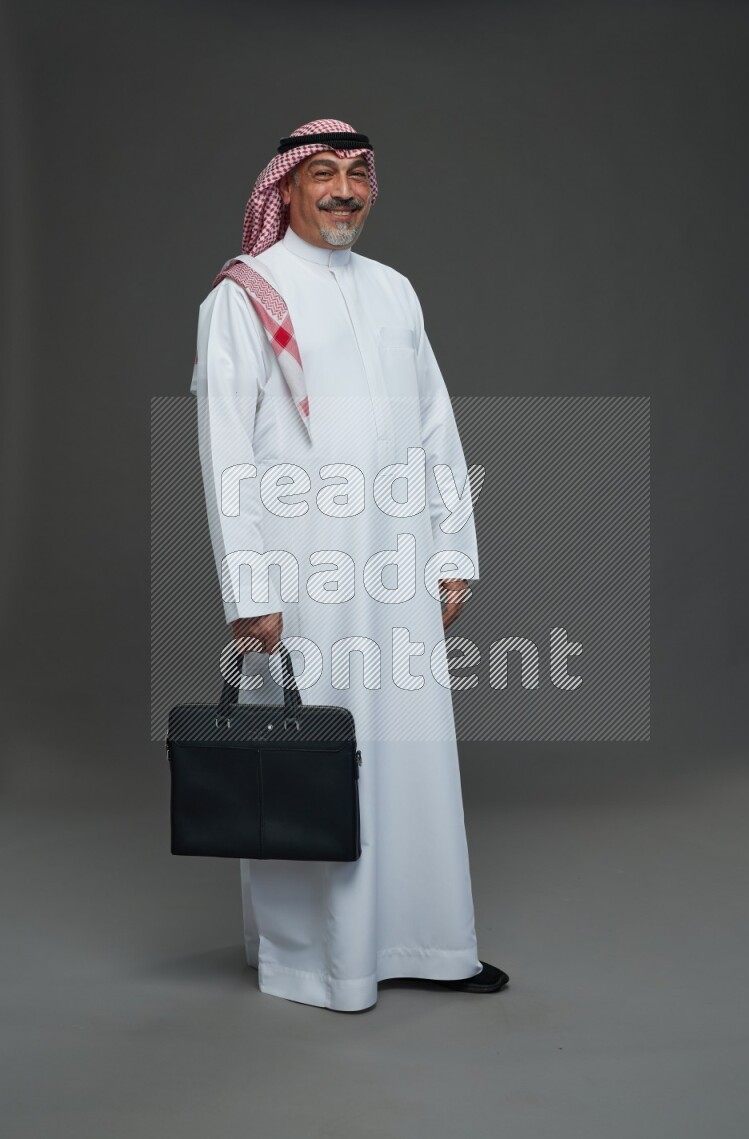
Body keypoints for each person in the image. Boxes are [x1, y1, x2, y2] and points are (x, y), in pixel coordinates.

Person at [190, 117, 509, 1011]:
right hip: (304, 577)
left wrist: (452, 553)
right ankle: (317, 962)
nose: (342, 190)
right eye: (322, 173)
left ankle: (430, 944)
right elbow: (226, 453)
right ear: (284, 189)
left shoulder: (395, 291)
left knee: (409, 754)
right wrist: (251, 591)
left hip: (395, 564)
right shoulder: (244, 296)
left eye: (357, 174)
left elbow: (435, 426)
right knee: (313, 757)